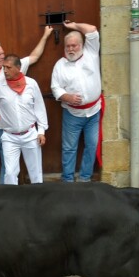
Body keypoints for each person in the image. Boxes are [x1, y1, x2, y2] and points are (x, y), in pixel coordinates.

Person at [0, 27, 53, 186]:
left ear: (17, 68)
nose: (3, 57)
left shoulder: (24, 78)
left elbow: (34, 57)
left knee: (18, 171)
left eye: (3, 54)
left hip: (26, 130)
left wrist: (46, 35)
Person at [0, 55, 48, 185]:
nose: (4, 70)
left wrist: (41, 130)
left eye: (8, 67)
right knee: (9, 173)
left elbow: (39, 108)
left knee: (36, 173)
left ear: (18, 68)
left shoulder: (31, 84)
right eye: (3, 67)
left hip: (30, 134)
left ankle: (39, 200)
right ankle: (11, 201)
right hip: (10, 137)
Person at [51, 21, 103, 183]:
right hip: (72, 114)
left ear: (82, 45)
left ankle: (85, 179)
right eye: (68, 46)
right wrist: (66, 97)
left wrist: (73, 26)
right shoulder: (60, 65)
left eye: (74, 45)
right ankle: (67, 180)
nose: (71, 49)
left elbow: (92, 29)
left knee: (91, 146)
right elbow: (55, 87)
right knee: (69, 148)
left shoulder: (91, 52)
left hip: (93, 112)